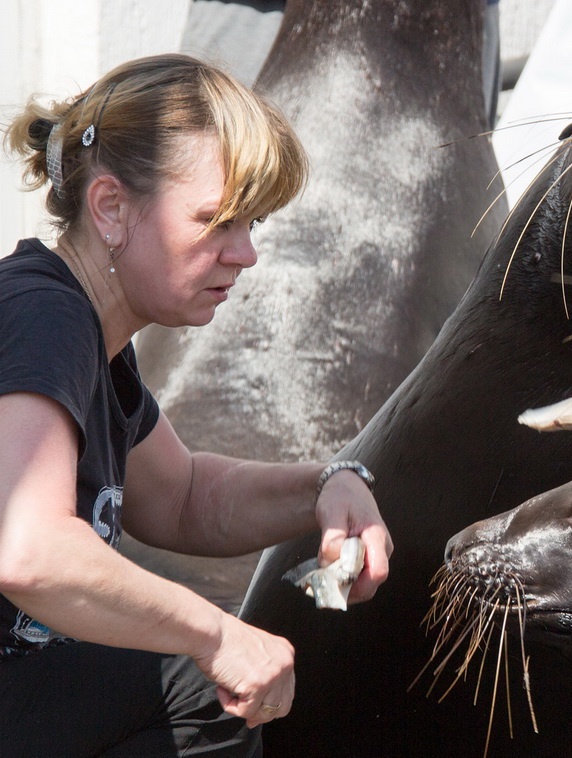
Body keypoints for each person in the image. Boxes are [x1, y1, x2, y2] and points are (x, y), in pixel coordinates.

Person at [0, 53, 393, 756]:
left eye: (255, 224)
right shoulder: (44, 314)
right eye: (218, 221)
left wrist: (330, 484)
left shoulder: (91, 335)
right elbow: (28, 550)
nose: (245, 254)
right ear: (112, 208)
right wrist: (215, 635)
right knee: (204, 692)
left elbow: (184, 498)